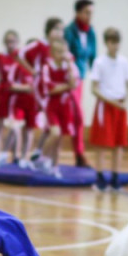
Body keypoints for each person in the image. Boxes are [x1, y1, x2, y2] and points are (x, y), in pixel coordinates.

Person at [0, 29, 34, 166]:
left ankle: (15, 155)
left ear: (18, 42)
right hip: (2, 93)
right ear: (4, 42)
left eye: (13, 41)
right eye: (8, 41)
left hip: (17, 96)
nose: (11, 44)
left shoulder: (21, 58)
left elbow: (30, 75)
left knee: (16, 126)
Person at [89, 27, 128, 191]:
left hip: (120, 106)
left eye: (117, 42)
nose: (115, 45)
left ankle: (115, 178)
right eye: (112, 42)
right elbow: (94, 89)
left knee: (118, 143)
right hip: (106, 105)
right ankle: (100, 178)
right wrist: (112, 102)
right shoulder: (99, 62)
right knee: (101, 143)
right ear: (106, 43)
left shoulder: (124, 62)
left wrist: (125, 100)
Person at [19, 18, 65, 163]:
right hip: (42, 87)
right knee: (49, 119)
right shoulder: (38, 45)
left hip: (55, 88)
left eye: (61, 30)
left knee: (52, 123)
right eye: (56, 29)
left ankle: (41, 152)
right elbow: (20, 55)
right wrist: (32, 70)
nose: (59, 33)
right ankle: (34, 154)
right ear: (48, 30)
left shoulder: (58, 47)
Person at [37, 37, 77, 178]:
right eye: (58, 52)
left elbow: (74, 83)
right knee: (54, 133)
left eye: (63, 52)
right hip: (52, 105)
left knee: (59, 139)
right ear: (52, 53)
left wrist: (70, 67)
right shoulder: (47, 67)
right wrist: (66, 86)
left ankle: (55, 166)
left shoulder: (69, 66)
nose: (61, 55)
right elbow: (50, 89)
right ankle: (42, 158)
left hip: (65, 105)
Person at [64, 0, 96, 168]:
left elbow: (93, 58)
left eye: (91, 13)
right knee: (77, 116)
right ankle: (79, 153)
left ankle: (79, 155)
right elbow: (65, 55)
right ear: (78, 13)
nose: (90, 16)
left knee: (76, 117)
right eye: (87, 12)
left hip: (80, 80)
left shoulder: (91, 32)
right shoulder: (69, 31)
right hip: (69, 80)